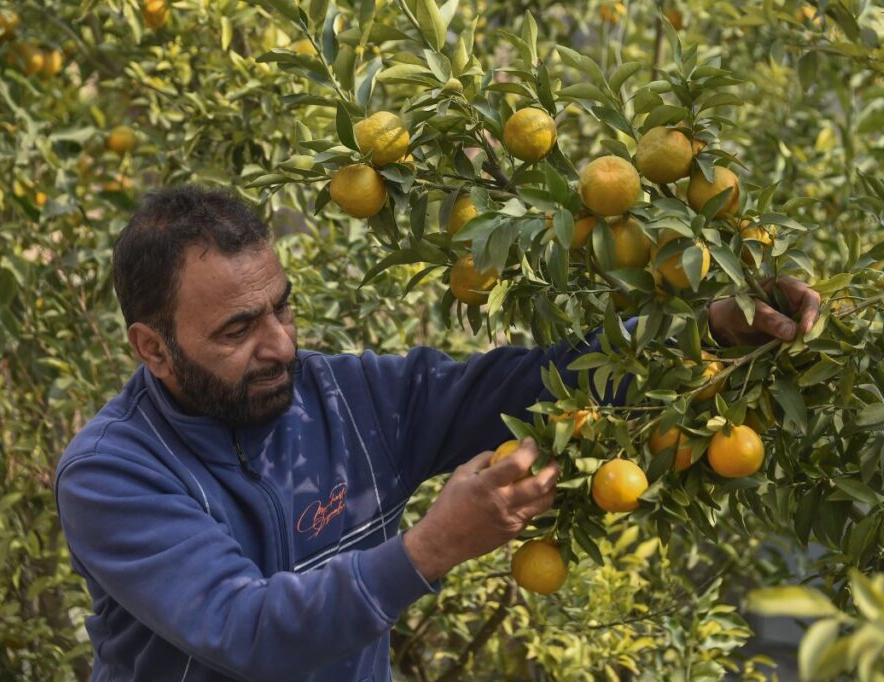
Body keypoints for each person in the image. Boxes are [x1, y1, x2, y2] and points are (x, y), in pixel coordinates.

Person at [54, 185, 820, 682]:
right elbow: (247, 631)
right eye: (238, 329)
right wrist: (434, 545)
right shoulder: (113, 474)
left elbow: (531, 384)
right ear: (153, 348)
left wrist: (709, 331)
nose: (281, 345)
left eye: (282, 307)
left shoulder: (348, 398)